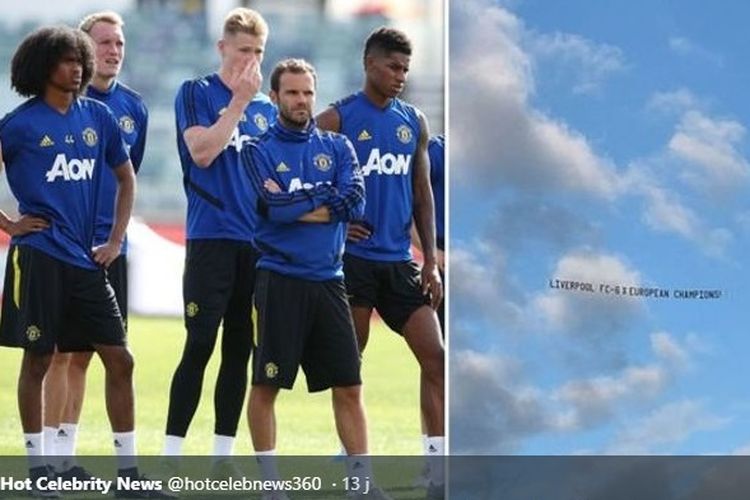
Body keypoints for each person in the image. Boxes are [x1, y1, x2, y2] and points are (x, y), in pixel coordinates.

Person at [0, 24, 144, 496]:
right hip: (39, 257)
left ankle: (128, 476)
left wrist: (116, 240)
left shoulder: (99, 118)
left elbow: (126, 180)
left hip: (87, 260)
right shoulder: (19, 125)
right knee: (39, 359)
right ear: (43, 67)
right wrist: (9, 225)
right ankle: (39, 471)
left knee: (120, 360)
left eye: (79, 58)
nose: (77, 66)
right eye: (66, 59)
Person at [242, 57, 390, 500]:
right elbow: (273, 211)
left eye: (307, 92)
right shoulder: (257, 149)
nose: (301, 100)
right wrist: (325, 197)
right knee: (266, 384)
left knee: (349, 385)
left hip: (330, 281)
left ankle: (360, 484)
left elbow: (356, 203)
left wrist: (299, 201)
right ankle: (272, 488)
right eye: (292, 92)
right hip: (279, 279)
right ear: (274, 98)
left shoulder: (339, 147)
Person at [316, 27, 445, 497]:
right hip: (352, 264)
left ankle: (436, 471)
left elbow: (422, 194)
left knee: (437, 359)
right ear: (370, 64)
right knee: (351, 368)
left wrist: (429, 260)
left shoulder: (414, 122)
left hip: (399, 263)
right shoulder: (336, 119)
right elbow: (299, 175)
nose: (401, 77)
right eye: (393, 67)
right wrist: (333, 220)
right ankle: (358, 476)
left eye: (406, 70)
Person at [164, 7, 275, 465]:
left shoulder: (269, 110)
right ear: (222, 47)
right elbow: (203, 153)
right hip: (210, 238)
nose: (250, 61)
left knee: (239, 351)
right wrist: (238, 104)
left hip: (256, 247)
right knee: (199, 343)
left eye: (258, 52)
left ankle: (221, 455)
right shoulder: (196, 93)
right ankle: (170, 457)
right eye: (243, 50)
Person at [40, 11, 149, 480]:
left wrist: (116, 236)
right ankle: (47, 458)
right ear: (81, 50)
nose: (112, 50)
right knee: (59, 353)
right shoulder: (58, 106)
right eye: (103, 42)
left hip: (110, 248)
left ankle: (66, 455)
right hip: (63, 248)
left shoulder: (134, 109)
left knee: (89, 354)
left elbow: (129, 176)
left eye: (119, 43)